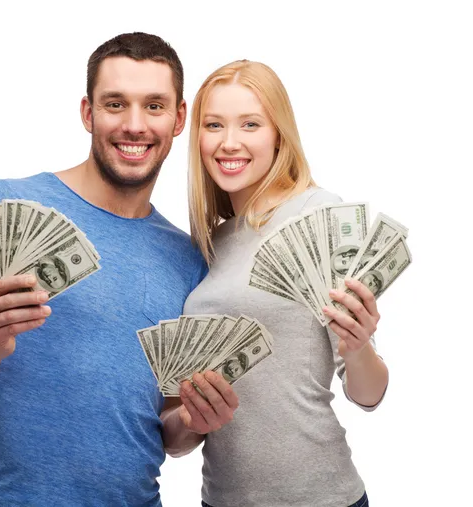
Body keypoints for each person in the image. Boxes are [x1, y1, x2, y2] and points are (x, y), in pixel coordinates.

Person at [0, 32, 234, 507]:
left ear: (178, 119)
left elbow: (170, 432)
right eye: (115, 104)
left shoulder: (188, 259)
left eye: (154, 106)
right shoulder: (8, 205)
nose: (134, 125)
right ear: (88, 113)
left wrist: (195, 422)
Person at [160, 60, 389, 507]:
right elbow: (176, 432)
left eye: (250, 124)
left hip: (322, 497)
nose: (229, 142)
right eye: (213, 125)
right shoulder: (209, 245)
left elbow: (368, 395)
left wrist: (360, 346)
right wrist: (191, 418)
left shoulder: (320, 215)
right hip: (220, 499)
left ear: (278, 133)